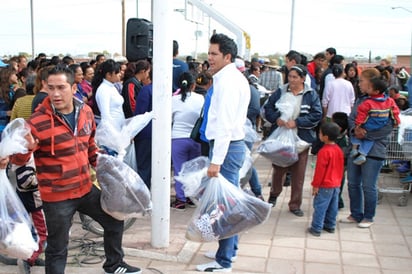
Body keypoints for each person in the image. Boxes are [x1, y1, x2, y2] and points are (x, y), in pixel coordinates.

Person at [10, 66, 141, 274]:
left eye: (61, 87)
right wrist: (26, 149)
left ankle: (114, 264)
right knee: (57, 248)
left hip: (85, 189)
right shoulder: (36, 122)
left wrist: (105, 167)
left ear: (73, 88)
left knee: (115, 220)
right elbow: (17, 159)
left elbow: (89, 145)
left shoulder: (86, 112)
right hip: (56, 198)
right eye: (50, 88)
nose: (55, 93)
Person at [196, 33, 250, 273]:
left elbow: (225, 125)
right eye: (209, 53)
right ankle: (228, 250)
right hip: (229, 147)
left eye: (214, 54)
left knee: (224, 206)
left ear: (228, 56)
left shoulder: (228, 81)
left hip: (226, 149)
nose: (210, 58)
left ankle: (224, 261)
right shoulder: (228, 78)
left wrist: (216, 161)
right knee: (229, 203)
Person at [341, 68, 396, 228]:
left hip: (375, 150)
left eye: (362, 81)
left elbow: (388, 127)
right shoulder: (361, 100)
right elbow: (352, 118)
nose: (359, 84)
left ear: (372, 83)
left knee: (368, 185)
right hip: (356, 146)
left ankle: (368, 216)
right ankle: (355, 214)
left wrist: (366, 135)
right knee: (353, 183)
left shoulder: (387, 103)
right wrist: (355, 130)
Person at [264, 64, 322, 216]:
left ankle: (295, 204)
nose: (292, 80)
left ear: (303, 79)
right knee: (279, 169)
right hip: (282, 139)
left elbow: (316, 114)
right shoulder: (281, 91)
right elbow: (268, 109)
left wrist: (297, 122)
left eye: (295, 77)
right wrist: (277, 119)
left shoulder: (311, 94)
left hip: (301, 140)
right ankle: (274, 194)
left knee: (299, 174)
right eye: (290, 76)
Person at [170, 72, 204, 211]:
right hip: (196, 139)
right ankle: (191, 196)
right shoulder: (200, 98)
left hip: (177, 139)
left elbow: (169, 120)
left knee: (179, 170)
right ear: (193, 85)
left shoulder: (174, 100)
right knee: (193, 170)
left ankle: (180, 199)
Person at [350, 77, 400, 165]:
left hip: (368, 125)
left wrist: (358, 126)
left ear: (376, 91)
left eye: (369, 88)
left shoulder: (368, 102)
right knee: (369, 140)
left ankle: (355, 148)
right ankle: (363, 154)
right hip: (381, 124)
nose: (360, 84)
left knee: (357, 134)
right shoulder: (389, 101)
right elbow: (395, 112)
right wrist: (397, 121)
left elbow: (361, 115)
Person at [308, 122, 344, 237]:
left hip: (325, 184)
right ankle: (330, 225)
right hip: (336, 184)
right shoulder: (338, 149)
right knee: (333, 206)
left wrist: (315, 185)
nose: (319, 134)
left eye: (320, 133)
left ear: (325, 137)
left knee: (320, 207)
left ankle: (316, 227)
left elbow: (320, 171)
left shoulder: (324, 151)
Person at [91, 59, 123, 127]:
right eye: (117, 73)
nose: (120, 74)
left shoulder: (112, 87)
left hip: (119, 127)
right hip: (112, 131)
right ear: (108, 75)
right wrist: (114, 133)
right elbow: (106, 116)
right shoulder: (103, 89)